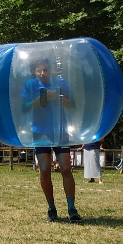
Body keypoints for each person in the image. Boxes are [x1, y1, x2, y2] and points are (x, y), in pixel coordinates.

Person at [22, 57, 80, 222]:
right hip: (40, 132)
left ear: (51, 70)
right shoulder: (31, 84)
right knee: (45, 169)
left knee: (66, 169)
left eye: (45, 70)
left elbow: (73, 105)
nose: (42, 73)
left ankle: (72, 209)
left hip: (60, 131)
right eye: (39, 70)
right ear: (35, 72)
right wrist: (40, 99)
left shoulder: (60, 82)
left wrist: (59, 98)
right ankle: (51, 208)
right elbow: (24, 108)